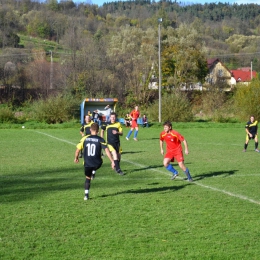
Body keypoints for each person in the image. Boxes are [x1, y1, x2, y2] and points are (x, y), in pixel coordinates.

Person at [74, 123, 115, 201]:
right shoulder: (100, 139)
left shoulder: (84, 139)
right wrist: (112, 161)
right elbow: (106, 151)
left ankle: (86, 195)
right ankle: (94, 170)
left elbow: (77, 150)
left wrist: (76, 158)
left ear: (90, 130)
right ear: (98, 130)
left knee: (87, 178)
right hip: (97, 163)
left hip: (87, 163)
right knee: (100, 161)